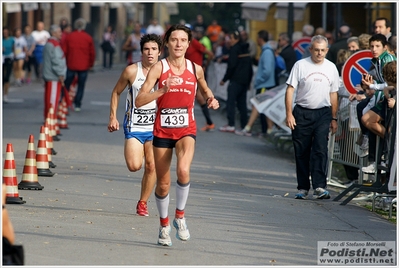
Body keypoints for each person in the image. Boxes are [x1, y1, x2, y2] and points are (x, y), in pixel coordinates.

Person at [135, 24, 219, 247]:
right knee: (163, 184)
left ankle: (179, 217)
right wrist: (163, 90)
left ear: (189, 44)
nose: (179, 44)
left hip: (186, 129)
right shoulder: (158, 69)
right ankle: (164, 225)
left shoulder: (195, 68)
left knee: (183, 170)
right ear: (167, 43)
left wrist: (211, 98)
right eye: (174, 40)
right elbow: (139, 100)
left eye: (183, 40)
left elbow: (204, 87)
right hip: (162, 130)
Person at [108, 34, 162, 217]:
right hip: (135, 126)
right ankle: (142, 199)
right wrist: (113, 117)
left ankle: (143, 203)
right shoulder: (132, 71)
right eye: (146, 49)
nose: (150, 53)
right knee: (134, 166)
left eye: (154, 49)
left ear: (160, 52)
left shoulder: (165, 72)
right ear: (141, 51)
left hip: (156, 128)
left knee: (152, 166)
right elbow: (116, 92)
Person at [285, 35, 339, 200]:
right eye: (316, 50)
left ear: (327, 50)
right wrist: (289, 114)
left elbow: (334, 94)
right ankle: (302, 187)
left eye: (323, 50)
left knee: (320, 149)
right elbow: (290, 90)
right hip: (302, 112)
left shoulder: (331, 68)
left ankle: (320, 186)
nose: (319, 53)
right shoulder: (300, 65)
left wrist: (334, 118)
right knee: (301, 151)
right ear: (310, 50)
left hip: (323, 113)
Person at [359, 34, 396, 174]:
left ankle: (389, 147)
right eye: (372, 46)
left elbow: (391, 82)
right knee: (365, 118)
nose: (374, 49)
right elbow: (383, 83)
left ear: (385, 47)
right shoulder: (376, 60)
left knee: (366, 117)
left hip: (391, 97)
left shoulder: (389, 59)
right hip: (383, 96)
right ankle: (385, 147)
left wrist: (374, 87)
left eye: (377, 46)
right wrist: (370, 85)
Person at [235, 30, 276, 137]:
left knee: (257, 106)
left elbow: (267, 70)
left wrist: (259, 80)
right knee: (265, 108)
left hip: (264, 85)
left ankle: (248, 127)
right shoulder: (267, 51)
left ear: (260, 39)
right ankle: (268, 130)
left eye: (257, 38)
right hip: (265, 84)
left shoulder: (267, 52)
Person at [219, 30, 253, 133]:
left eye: (231, 38)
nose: (229, 40)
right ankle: (243, 126)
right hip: (244, 81)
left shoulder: (234, 50)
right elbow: (250, 68)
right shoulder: (245, 50)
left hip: (235, 80)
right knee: (242, 104)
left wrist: (224, 79)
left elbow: (231, 66)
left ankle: (231, 124)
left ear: (236, 39)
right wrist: (249, 81)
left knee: (231, 102)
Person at [185, 28, 215, 132]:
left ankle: (209, 123)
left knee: (197, 97)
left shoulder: (195, 43)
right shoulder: (184, 44)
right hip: (187, 74)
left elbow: (210, 53)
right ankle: (209, 123)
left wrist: (204, 65)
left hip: (196, 73)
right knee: (197, 98)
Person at [62, 18, 95, 112]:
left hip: (71, 63)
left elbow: (65, 51)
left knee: (67, 84)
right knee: (81, 85)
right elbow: (92, 53)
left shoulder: (70, 36)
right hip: (83, 65)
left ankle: (65, 101)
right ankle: (77, 104)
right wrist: (91, 64)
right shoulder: (88, 37)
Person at [42, 24, 67, 122]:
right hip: (53, 76)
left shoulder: (50, 43)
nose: (61, 34)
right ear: (53, 33)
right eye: (59, 32)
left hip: (50, 75)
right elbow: (57, 61)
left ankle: (49, 120)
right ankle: (51, 122)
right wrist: (61, 74)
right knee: (52, 101)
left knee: (50, 100)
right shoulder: (54, 44)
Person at [2, 27, 14, 103]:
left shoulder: (12, 39)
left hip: (9, 57)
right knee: (2, 77)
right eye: (4, 32)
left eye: (6, 32)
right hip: (2, 58)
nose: (5, 34)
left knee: (7, 77)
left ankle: (5, 95)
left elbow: (14, 48)